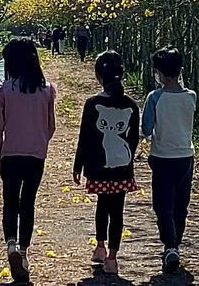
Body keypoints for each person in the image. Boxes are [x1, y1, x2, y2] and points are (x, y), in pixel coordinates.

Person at [0, 38, 57, 283]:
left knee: (10, 203)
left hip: (11, 154)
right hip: (35, 156)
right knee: (27, 203)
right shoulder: (47, 90)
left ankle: (10, 246)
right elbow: (51, 127)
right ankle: (23, 252)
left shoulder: (4, 91)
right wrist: (39, 141)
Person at [73, 50, 140, 275]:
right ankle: (112, 258)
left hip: (98, 168)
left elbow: (85, 138)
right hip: (122, 168)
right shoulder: (132, 105)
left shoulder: (93, 104)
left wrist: (78, 166)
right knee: (118, 211)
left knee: (102, 207)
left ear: (99, 76)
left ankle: (100, 247)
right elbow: (133, 140)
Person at [142, 45, 197, 274]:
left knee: (163, 204)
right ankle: (175, 246)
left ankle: (170, 245)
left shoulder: (155, 97)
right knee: (180, 205)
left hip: (162, 156)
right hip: (186, 156)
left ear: (159, 72)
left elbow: (146, 129)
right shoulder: (191, 96)